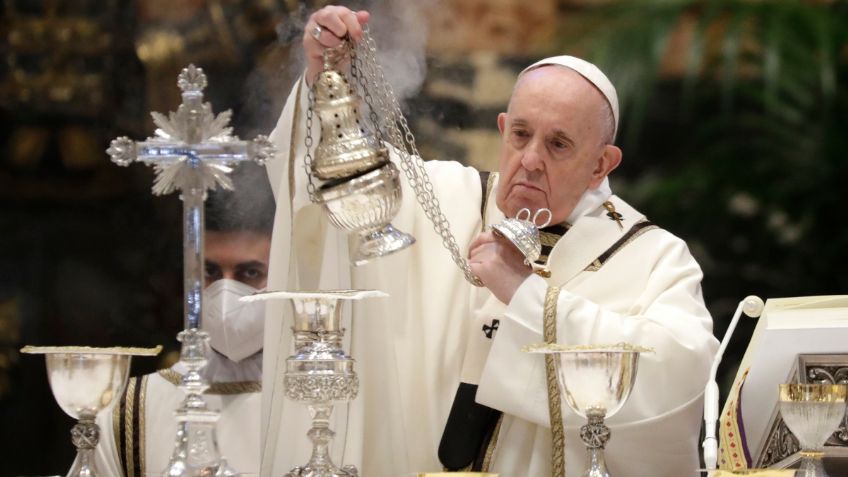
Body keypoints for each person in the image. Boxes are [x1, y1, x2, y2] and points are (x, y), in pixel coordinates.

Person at [260, 6, 719, 477]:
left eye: (558, 144)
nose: (531, 159)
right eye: (521, 135)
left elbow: (677, 379)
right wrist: (325, 78)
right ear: (503, 129)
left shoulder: (653, 258)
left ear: (602, 164)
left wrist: (526, 296)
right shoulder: (440, 198)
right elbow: (334, 181)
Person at [94, 164, 274, 477]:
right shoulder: (132, 412)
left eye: (250, 273)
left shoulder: (322, 402)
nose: (225, 291)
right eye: (210, 272)